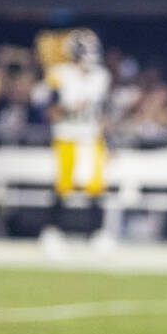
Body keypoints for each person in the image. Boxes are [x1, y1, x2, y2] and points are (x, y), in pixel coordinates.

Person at [40, 28, 112, 254]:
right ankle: (52, 231)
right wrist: (69, 109)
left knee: (96, 187)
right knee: (63, 186)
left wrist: (106, 126)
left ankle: (97, 232)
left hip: (91, 136)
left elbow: (104, 112)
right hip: (67, 134)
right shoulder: (60, 74)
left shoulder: (102, 76)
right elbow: (49, 112)